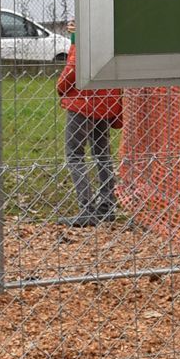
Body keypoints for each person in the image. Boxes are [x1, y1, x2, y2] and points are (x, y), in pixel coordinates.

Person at [56, 21, 123, 226]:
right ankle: (107, 205)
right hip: (105, 101)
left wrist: (60, 86)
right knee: (101, 153)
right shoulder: (111, 35)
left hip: (82, 103)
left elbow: (73, 68)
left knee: (75, 154)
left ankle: (86, 209)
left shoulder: (86, 39)